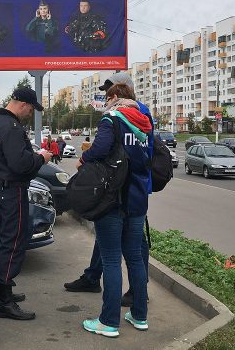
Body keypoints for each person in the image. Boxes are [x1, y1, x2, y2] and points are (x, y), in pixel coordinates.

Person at [78, 82, 152, 338]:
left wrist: (84, 158)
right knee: (134, 257)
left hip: (112, 199)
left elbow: (99, 149)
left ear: (116, 97)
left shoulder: (112, 119)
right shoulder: (144, 120)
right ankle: (139, 315)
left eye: (107, 98)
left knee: (110, 260)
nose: (106, 102)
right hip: (138, 199)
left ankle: (109, 321)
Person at [0, 87, 52, 321]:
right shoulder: (11, 127)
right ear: (22, 104)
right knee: (12, 242)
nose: (29, 113)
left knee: (3, 238)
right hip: (11, 190)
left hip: (1, 188)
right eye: (31, 109)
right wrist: (40, 158)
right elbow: (20, 164)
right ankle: (5, 302)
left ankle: (0, 291)